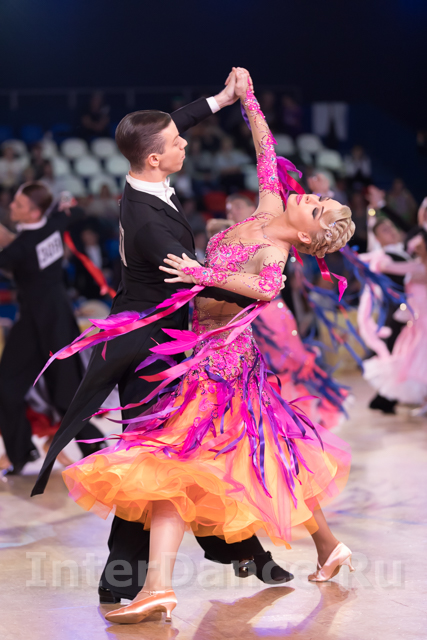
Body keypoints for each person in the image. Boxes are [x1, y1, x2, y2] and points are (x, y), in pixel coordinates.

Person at [57, 68, 355, 625]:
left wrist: (200, 273)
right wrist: (246, 99)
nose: (311, 196)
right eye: (317, 196)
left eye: (315, 207)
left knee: (186, 463)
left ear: (307, 237)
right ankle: (324, 546)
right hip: (197, 353)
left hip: (224, 364)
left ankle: (159, 584)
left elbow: (266, 290)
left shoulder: (276, 253)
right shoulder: (269, 206)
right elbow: (266, 149)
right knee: (253, 460)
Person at [32, 70, 290, 605]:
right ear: (154, 159)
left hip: (167, 340)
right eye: (176, 143)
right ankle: (136, 572)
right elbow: (200, 285)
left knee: (178, 455)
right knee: (154, 459)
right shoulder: (152, 226)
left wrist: (222, 99)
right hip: (151, 348)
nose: (185, 143)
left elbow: (173, 123)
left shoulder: (143, 179)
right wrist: (263, 287)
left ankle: (236, 552)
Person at [0, 183, 105, 475]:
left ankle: (93, 445)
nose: (11, 207)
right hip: (31, 325)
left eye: (19, 204)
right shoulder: (54, 223)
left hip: (56, 324)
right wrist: (67, 203)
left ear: (34, 212)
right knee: (6, 388)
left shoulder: (21, 247)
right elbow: (76, 211)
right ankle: (21, 452)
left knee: (66, 394)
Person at [363, 228, 427, 415]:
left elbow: (391, 267)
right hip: (415, 321)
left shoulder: (421, 267)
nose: (417, 249)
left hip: (424, 319)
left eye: (420, 246)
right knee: (414, 359)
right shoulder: (416, 264)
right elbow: (389, 267)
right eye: (416, 247)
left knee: (419, 359)